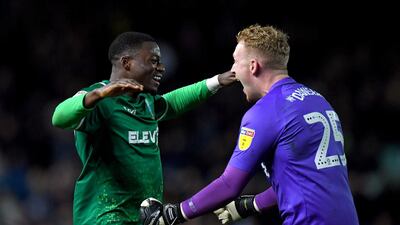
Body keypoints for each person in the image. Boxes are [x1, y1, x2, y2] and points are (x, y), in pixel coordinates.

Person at [140, 24, 359, 225]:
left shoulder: (266, 111)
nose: (233, 70)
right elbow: (306, 178)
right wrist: (251, 205)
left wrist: (173, 214)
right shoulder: (318, 100)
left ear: (253, 66)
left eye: (236, 61)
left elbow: (229, 184)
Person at [51, 31, 236, 225]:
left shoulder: (145, 101)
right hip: (104, 217)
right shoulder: (99, 99)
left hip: (142, 218)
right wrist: (98, 94)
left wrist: (217, 81)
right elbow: (59, 117)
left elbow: (172, 102)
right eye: (154, 61)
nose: (161, 68)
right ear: (126, 63)